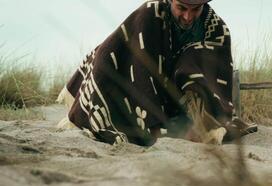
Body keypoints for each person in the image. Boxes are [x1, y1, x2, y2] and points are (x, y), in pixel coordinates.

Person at [57, 0, 256, 146]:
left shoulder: (216, 29)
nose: (188, 16)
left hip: (174, 90)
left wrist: (207, 119)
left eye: (195, 9)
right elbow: (133, 62)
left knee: (195, 62)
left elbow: (217, 75)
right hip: (122, 67)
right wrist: (154, 126)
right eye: (182, 8)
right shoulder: (150, 14)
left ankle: (186, 121)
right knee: (127, 123)